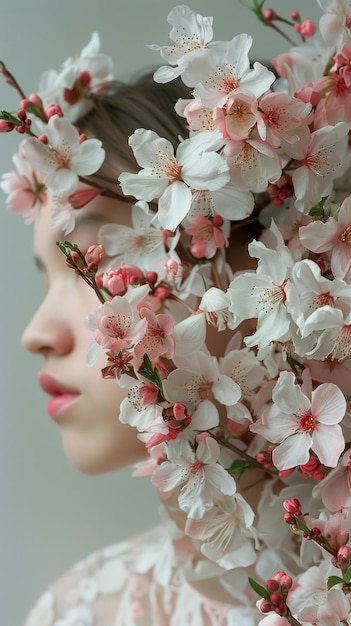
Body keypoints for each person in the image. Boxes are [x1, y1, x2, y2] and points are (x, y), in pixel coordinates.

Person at [2, 4, 351, 625]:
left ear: (282, 259)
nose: (36, 334)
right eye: (52, 275)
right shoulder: (75, 613)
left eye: (94, 262)